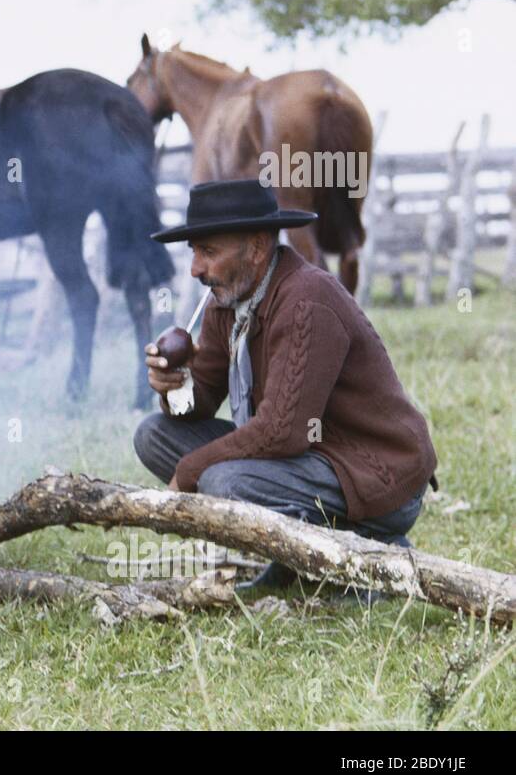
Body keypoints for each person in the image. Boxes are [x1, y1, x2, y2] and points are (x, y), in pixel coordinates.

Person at [132, 178, 438, 594]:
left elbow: (282, 432)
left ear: (257, 247)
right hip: (310, 460)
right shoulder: (228, 298)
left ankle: (367, 551)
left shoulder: (306, 300)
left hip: (374, 477)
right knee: (153, 435)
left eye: (209, 252)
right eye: (194, 252)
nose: (195, 269)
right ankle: (298, 558)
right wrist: (174, 386)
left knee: (222, 481)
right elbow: (201, 399)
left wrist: (190, 472)